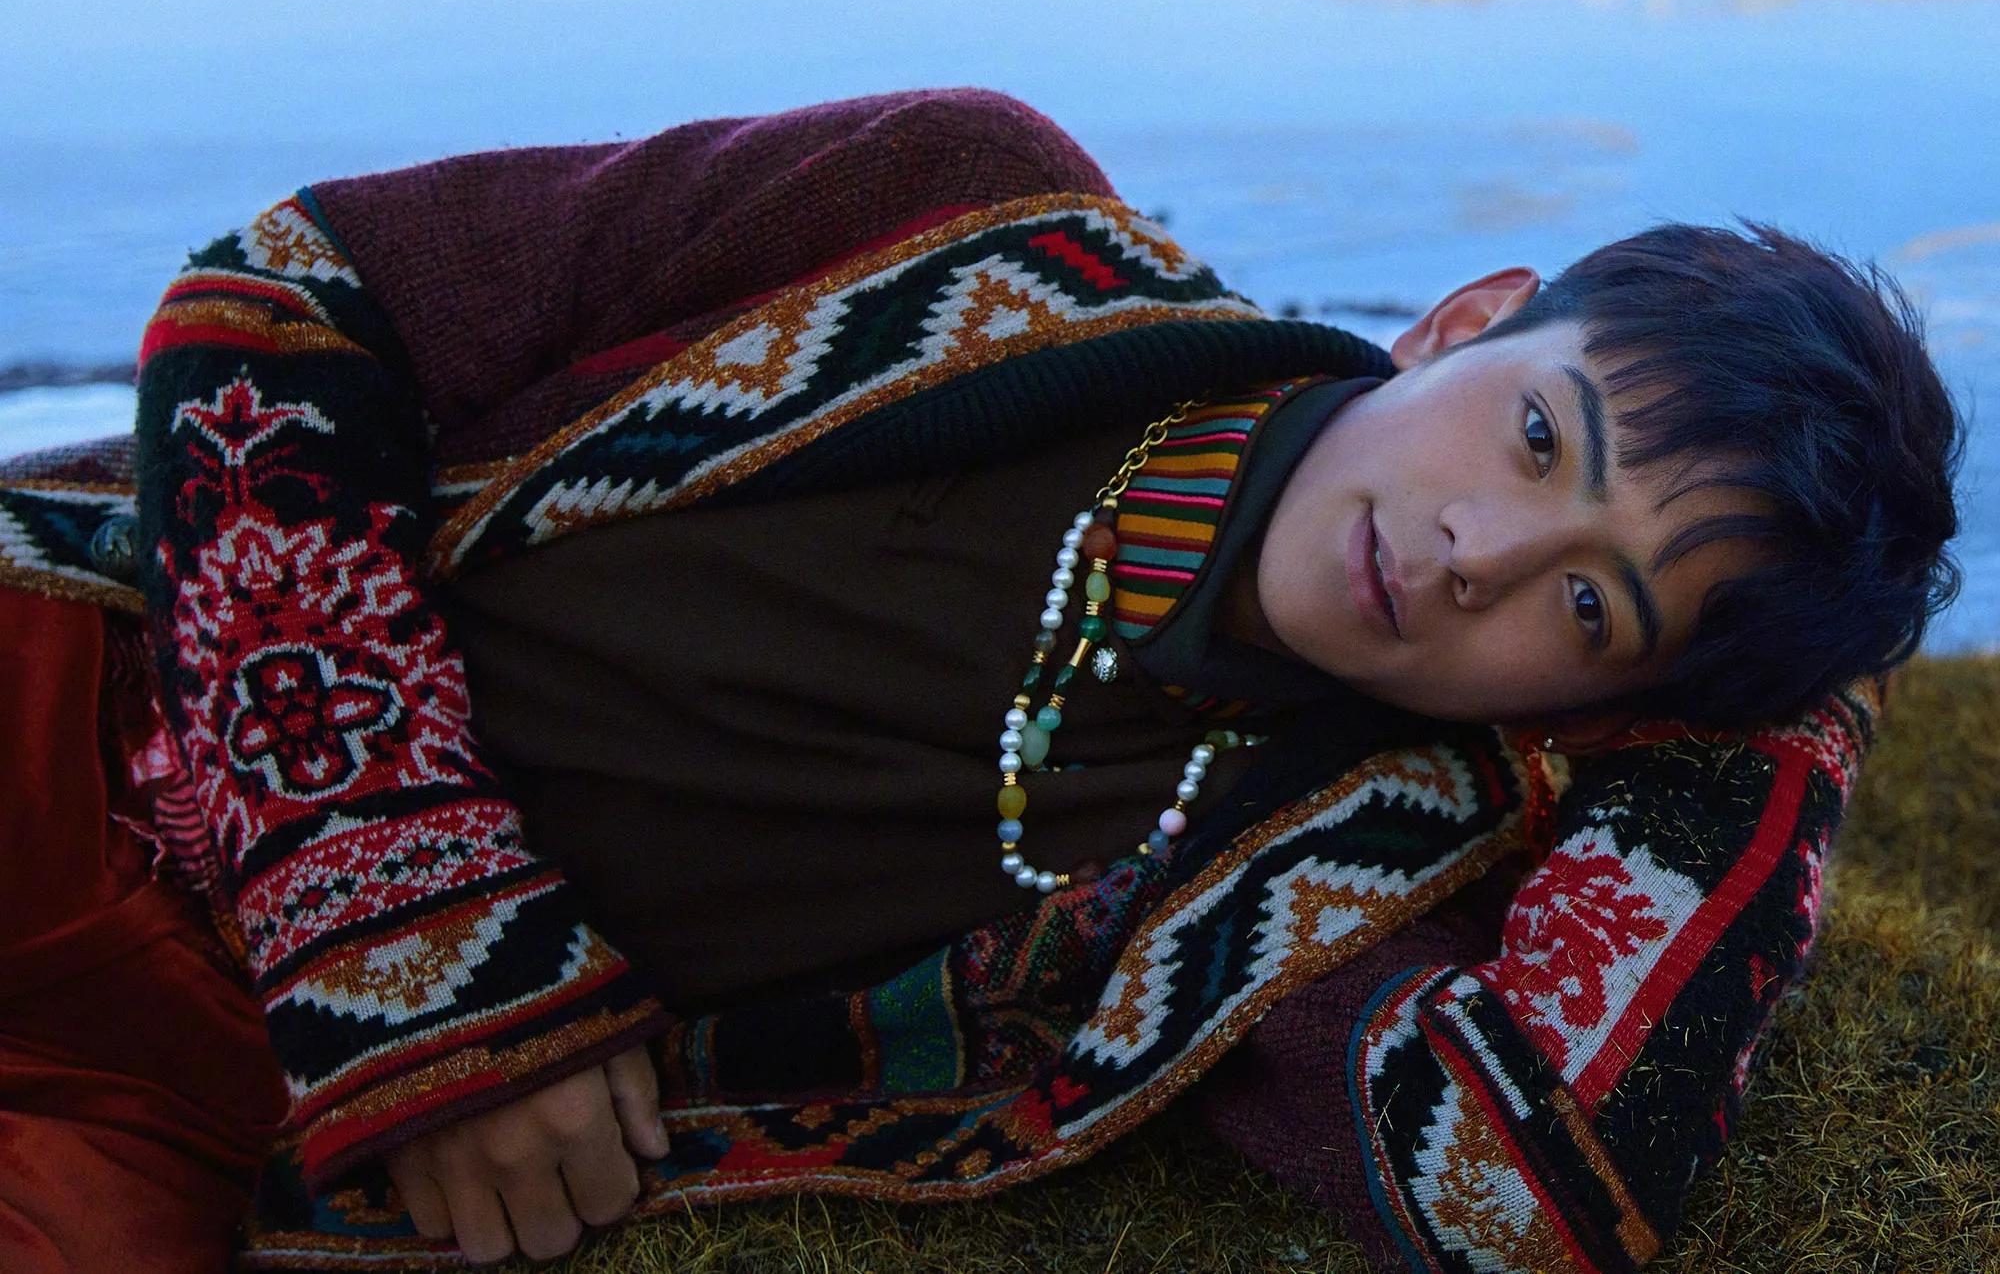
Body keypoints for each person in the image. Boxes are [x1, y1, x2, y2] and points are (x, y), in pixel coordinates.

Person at [0, 88, 1960, 1273]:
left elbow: (1522, 1187)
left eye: (1592, 608)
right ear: (1457, 322)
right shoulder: (970, 207)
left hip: (171, 1098)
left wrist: (1787, 707)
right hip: (73, 674)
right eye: (1536, 442)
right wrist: (415, 931)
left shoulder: (1309, 877)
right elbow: (288, 289)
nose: (1477, 556)